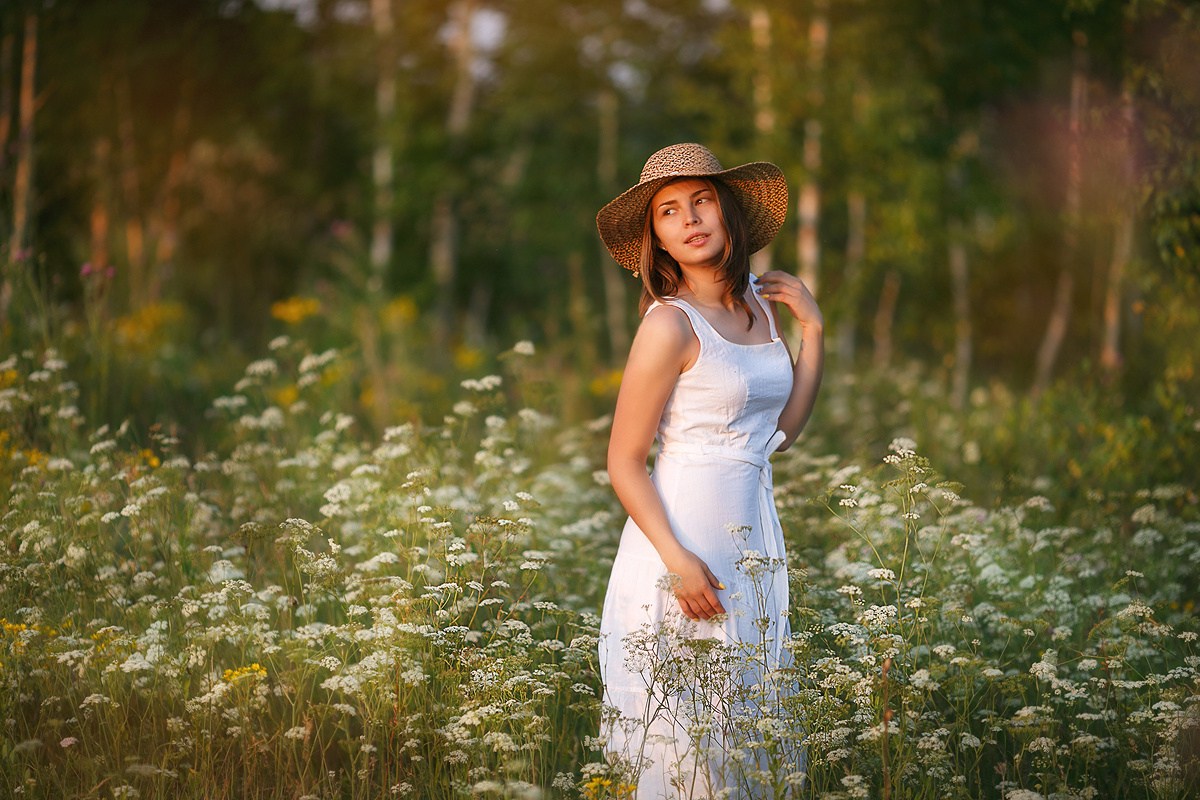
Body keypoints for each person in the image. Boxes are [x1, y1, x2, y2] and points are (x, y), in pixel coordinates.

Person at [595, 143, 824, 798]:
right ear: (656, 238)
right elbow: (623, 461)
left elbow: (783, 432)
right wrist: (679, 561)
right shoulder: (669, 324)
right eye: (669, 211)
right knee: (689, 745)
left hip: (752, 539)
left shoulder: (759, 307)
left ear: (727, 214)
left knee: (746, 728)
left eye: (701, 202)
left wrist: (813, 329)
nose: (689, 219)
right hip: (681, 545)